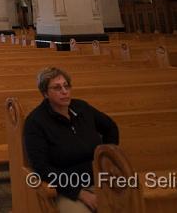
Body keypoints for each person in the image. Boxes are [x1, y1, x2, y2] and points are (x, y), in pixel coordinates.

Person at [23, 67, 119, 213]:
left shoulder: (81, 108)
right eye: (57, 87)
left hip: (101, 180)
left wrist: (106, 160)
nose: (64, 91)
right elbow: (41, 167)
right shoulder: (35, 122)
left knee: (131, 203)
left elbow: (111, 128)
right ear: (45, 93)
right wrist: (79, 193)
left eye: (66, 86)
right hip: (66, 189)